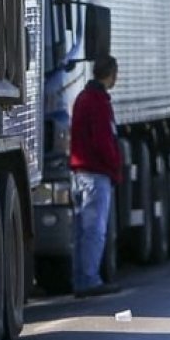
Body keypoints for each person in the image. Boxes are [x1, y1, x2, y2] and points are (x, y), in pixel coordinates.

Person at [70, 55, 123, 298]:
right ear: (110, 73)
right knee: (95, 230)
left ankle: (81, 278)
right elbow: (103, 141)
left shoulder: (82, 98)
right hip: (96, 174)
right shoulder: (98, 101)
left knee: (82, 231)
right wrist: (115, 165)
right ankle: (90, 279)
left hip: (80, 173)